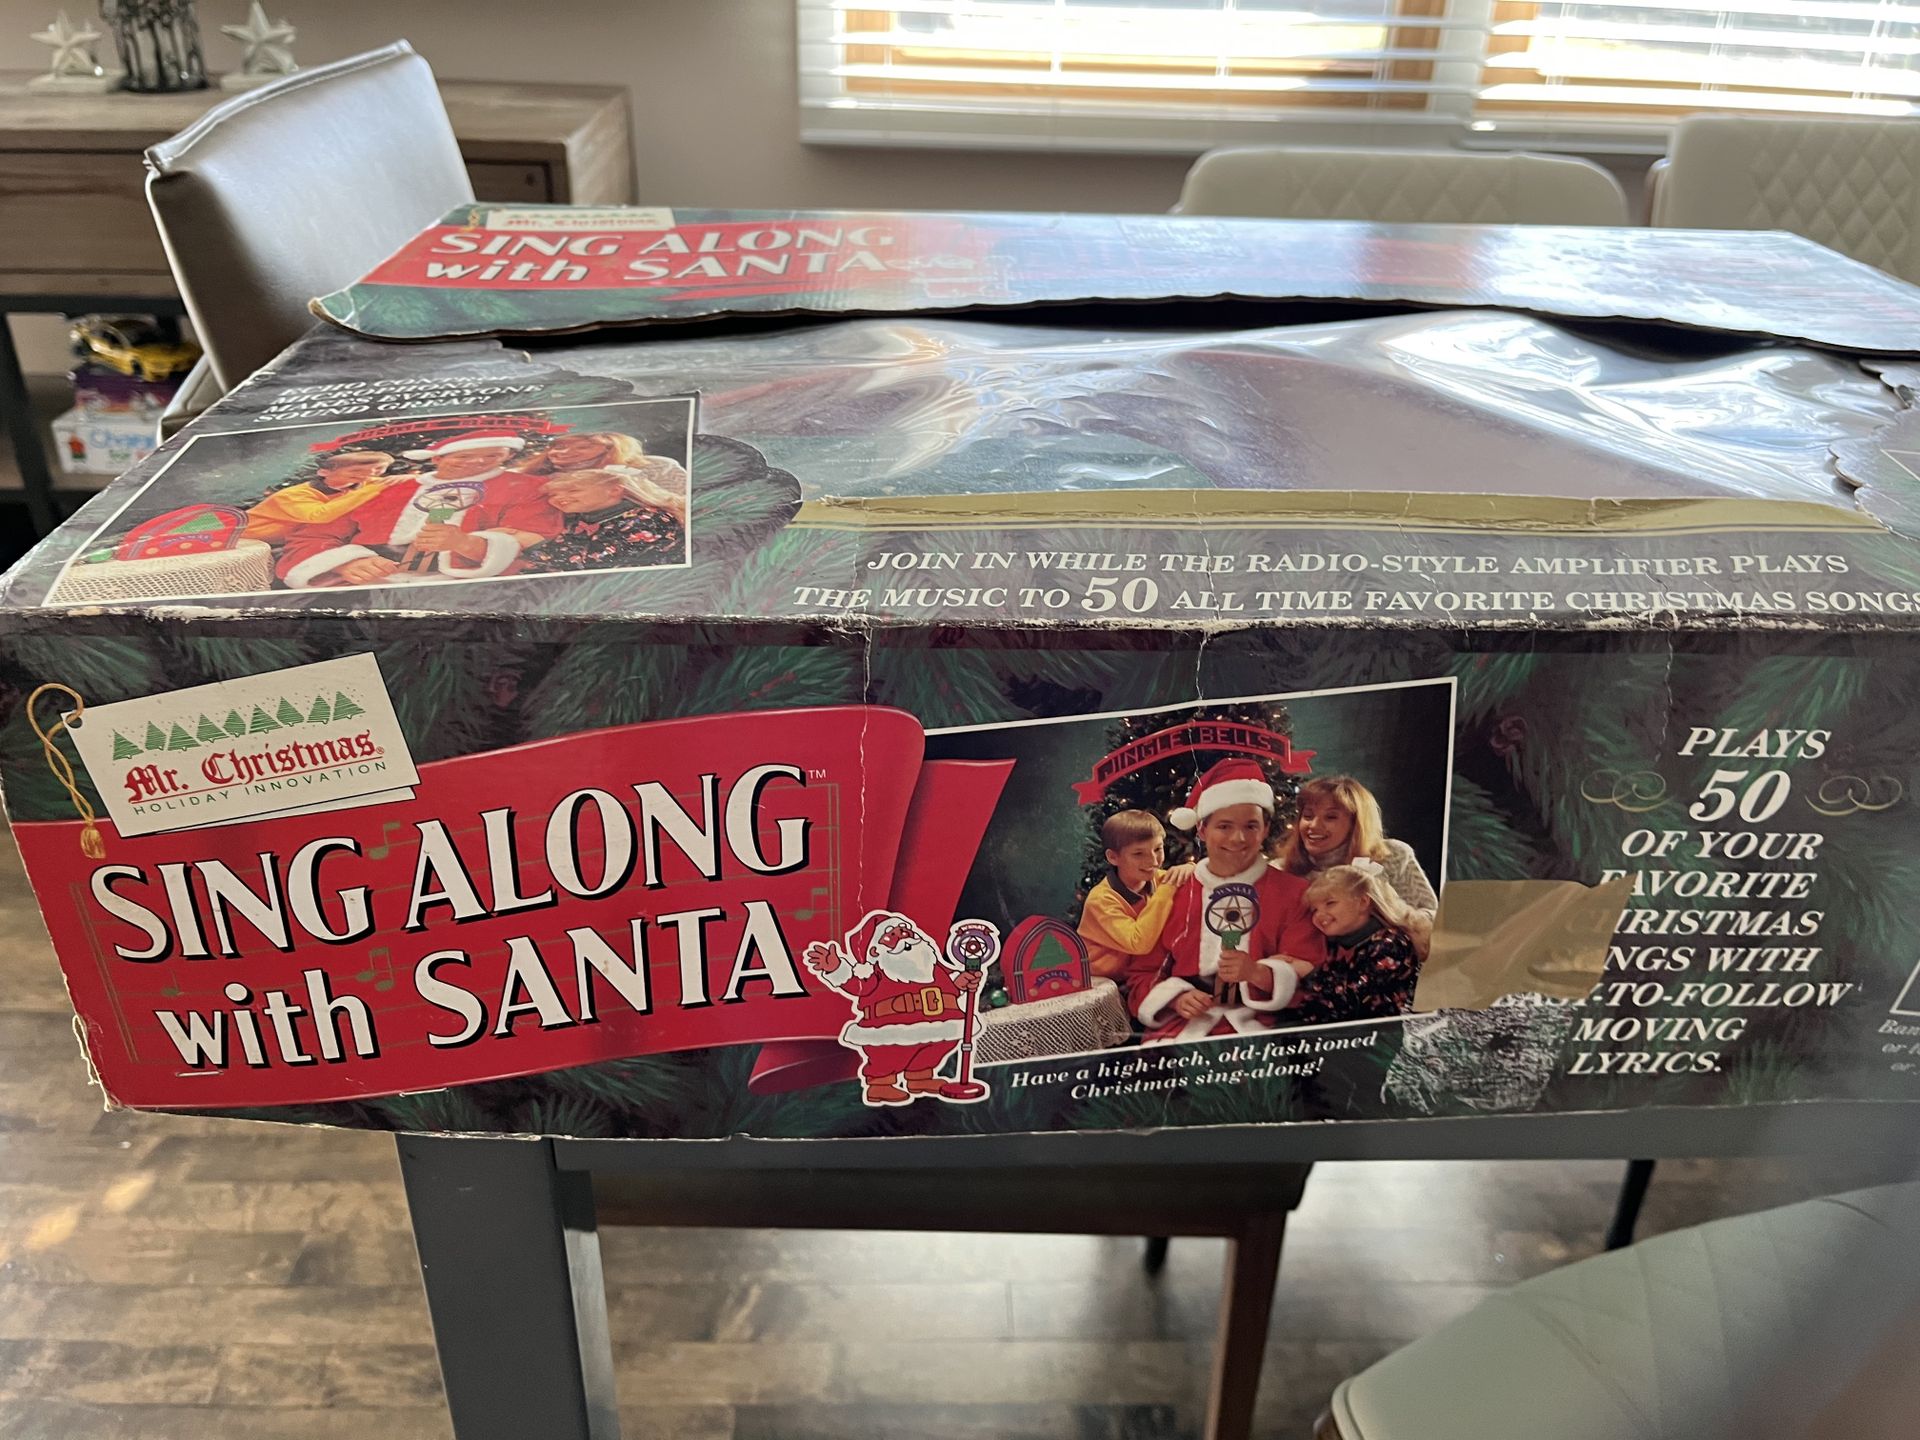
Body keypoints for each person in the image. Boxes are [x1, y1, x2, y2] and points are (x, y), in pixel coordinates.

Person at [1126, 757, 1326, 1045]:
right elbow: (1141, 974)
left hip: (1265, 1028)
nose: (1237, 838)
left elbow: (1314, 976)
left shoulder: (1294, 893)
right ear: (1202, 829)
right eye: (1224, 826)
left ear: (1265, 829)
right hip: (1182, 1028)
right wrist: (1175, 998)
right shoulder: (1173, 893)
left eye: (1251, 826)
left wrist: (1258, 973)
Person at [277, 432, 560, 588]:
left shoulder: (529, 487)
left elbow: (541, 542)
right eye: (464, 456)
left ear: (509, 455)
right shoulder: (385, 488)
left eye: (493, 455)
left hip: (469, 586)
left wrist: (466, 544)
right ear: (437, 458)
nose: (477, 462)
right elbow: (313, 536)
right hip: (374, 581)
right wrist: (344, 563)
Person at [802, 910, 985, 1106]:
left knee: (936, 1047)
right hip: (889, 1026)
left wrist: (962, 981)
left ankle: (920, 1077)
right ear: (875, 951)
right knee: (889, 1056)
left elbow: (951, 985)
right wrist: (837, 969)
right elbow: (857, 986)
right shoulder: (877, 973)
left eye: (904, 932)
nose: (904, 938)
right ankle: (880, 1084)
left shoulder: (933, 967)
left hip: (942, 1023)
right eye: (893, 935)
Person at [1278, 774, 1438, 957]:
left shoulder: (1393, 855)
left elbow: (1434, 920)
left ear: (1356, 823)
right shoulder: (1282, 871)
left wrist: (1390, 917)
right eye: (1308, 816)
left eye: (1330, 817)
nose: (1314, 825)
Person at [1287, 860, 1424, 1025]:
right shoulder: (1338, 945)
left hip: (1385, 1033)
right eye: (1314, 910)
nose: (1319, 915)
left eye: (1330, 903)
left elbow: (1349, 1002)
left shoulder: (1390, 945)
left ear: (1363, 902)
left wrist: (1310, 974)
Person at [1076, 809, 1196, 981]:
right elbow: (1138, 942)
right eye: (1138, 854)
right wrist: (1166, 889)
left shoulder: (1159, 879)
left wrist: (1190, 867)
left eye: (1158, 849)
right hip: (1105, 982)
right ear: (1113, 857)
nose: (1153, 861)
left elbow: (1199, 879)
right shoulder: (1100, 900)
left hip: (1143, 973)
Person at [518, 468, 687, 572]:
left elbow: (599, 565)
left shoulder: (649, 520)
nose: (559, 498)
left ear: (615, 491)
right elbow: (558, 551)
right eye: (553, 494)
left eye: (573, 491)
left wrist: (534, 547)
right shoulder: (580, 520)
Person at [243, 451, 409, 545]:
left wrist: (407, 478)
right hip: (247, 540)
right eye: (356, 471)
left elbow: (415, 484)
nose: (368, 476)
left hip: (298, 540)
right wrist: (372, 489)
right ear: (324, 472)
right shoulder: (292, 495)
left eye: (378, 470)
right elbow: (319, 515)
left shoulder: (363, 484)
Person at [526, 431, 690, 509]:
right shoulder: (540, 478)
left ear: (612, 449)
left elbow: (688, 503)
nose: (564, 452)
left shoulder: (655, 466)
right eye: (559, 447)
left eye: (584, 447)